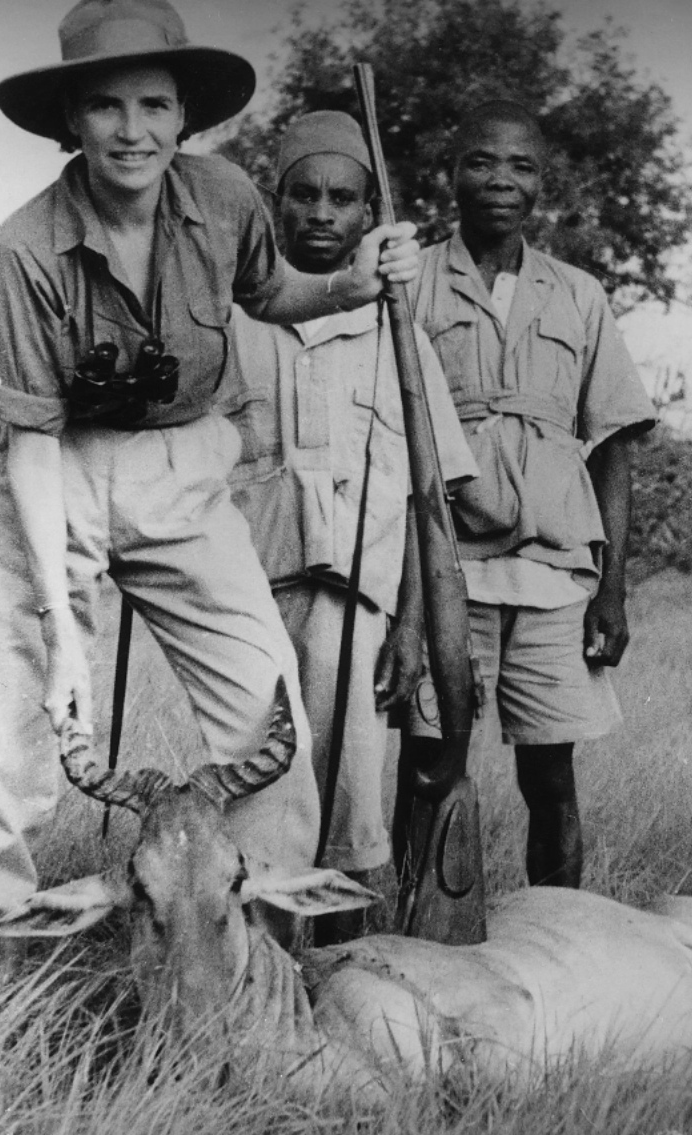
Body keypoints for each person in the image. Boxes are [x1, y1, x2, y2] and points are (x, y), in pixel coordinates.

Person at [0, 0, 421, 986]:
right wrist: (62, 629)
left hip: (182, 463)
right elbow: (35, 441)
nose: (131, 130)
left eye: (154, 104)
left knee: (267, 705)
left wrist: (351, 286)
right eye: (105, 105)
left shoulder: (224, 196)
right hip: (43, 472)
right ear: (71, 120)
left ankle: (257, 967)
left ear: (186, 117)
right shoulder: (25, 246)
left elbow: (270, 293)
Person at [224, 112, 476, 941]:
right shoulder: (231, 325)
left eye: (342, 198)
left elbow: (428, 502)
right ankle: (260, 977)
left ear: (369, 213)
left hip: (355, 617)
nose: (322, 213)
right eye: (303, 195)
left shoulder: (397, 333)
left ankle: (347, 978)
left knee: (349, 819)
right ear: (276, 203)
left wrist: (412, 626)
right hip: (249, 609)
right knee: (255, 808)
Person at [402, 100, 656, 891]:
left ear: (543, 181)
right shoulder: (409, 284)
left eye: (521, 166)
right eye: (481, 161)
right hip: (447, 567)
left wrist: (611, 589)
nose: (500, 181)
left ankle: (557, 933)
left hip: (554, 573)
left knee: (550, 777)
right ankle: (420, 936)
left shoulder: (578, 294)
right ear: (451, 173)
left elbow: (611, 444)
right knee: (431, 766)